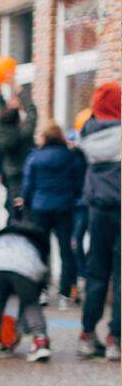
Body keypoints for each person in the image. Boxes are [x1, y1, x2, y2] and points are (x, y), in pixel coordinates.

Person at [76, 81, 121, 360]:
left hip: (96, 211)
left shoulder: (85, 136)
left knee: (97, 272)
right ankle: (116, 338)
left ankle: (88, 333)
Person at [22, 123, 86, 308]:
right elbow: (79, 183)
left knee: (41, 250)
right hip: (64, 209)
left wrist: (26, 201)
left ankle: (41, 291)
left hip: (40, 208)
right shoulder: (71, 156)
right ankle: (65, 294)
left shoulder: (35, 157)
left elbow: (28, 183)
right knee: (66, 251)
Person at [0, 218, 52, 362]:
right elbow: (38, 286)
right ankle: (41, 342)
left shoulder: (3, 238)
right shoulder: (36, 243)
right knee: (30, 301)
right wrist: (21, 330)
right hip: (25, 266)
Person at [0, 80, 37, 217]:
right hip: (28, 179)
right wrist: (19, 90)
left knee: (13, 216)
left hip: (11, 181)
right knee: (29, 217)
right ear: (18, 120)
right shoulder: (24, 134)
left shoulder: (0, 133)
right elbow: (32, 112)